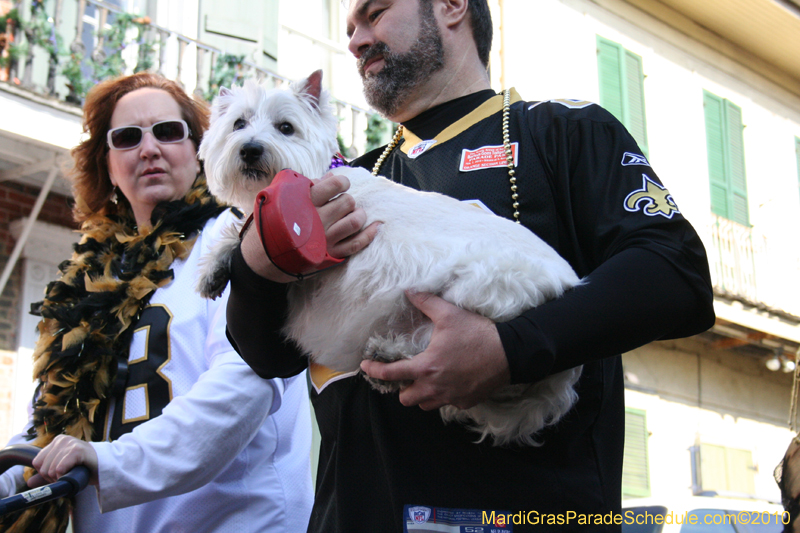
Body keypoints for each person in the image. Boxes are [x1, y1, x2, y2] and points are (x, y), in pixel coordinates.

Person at [225, 0, 716, 531]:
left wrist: (509, 348)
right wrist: (256, 266)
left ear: (453, 7)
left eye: (376, 12)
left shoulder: (563, 131)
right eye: (349, 27)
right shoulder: (345, 181)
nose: (355, 40)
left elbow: (677, 274)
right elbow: (269, 354)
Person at [0, 72, 313, 532]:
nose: (149, 149)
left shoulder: (240, 245)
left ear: (202, 146)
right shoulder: (89, 285)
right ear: (106, 163)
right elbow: (46, 427)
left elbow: (239, 393)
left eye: (167, 132)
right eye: (127, 138)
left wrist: (107, 462)